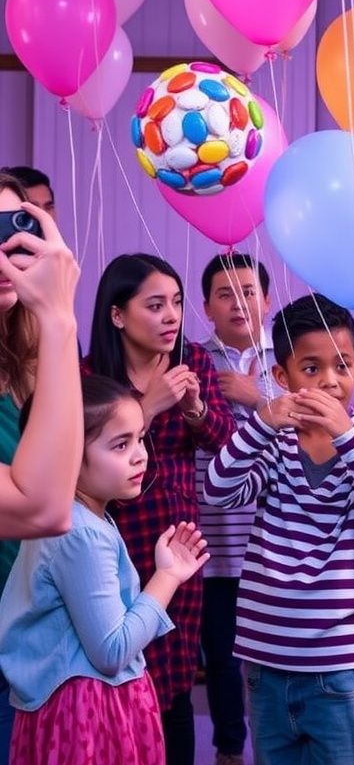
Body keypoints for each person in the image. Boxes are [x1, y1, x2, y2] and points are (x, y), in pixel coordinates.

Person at [205, 293, 354, 765]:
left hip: (339, 664)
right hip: (264, 661)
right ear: (282, 376)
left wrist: (347, 436)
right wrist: (261, 423)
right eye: (311, 368)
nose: (330, 381)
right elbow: (217, 491)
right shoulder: (273, 442)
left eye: (342, 366)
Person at [0, 373, 209, 764]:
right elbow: (111, 650)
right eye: (120, 444)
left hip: (80, 703)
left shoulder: (80, 519)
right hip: (88, 712)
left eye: (140, 438)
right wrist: (167, 577)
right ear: (67, 456)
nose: (140, 455)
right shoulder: (82, 534)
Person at [83, 252, 234, 765]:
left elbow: (224, 442)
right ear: (117, 314)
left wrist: (193, 408)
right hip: (112, 539)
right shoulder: (89, 376)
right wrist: (146, 408)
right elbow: (75, 459)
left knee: (172, 681)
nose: (171, 315)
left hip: (177, 542)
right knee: (117, 664)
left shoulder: (194, 362)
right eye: (154, 305)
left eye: (175, 302)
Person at [0, 172, 84, 764]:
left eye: (14, 228)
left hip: (21, 641)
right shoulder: (47, 334)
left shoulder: (22, 361)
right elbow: (42, 507)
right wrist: (59, 319)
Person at [197, 252, 282, 765]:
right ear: (206, 305)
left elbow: (306, 429)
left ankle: (275, 746)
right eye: (224, 293)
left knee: (269, 657)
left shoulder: (291, 358)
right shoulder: (192, 359)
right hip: (215, 536)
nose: (238, 303)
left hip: (274, 536)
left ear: (267, 300)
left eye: (248, 291)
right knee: (223, 657)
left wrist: (254, 396)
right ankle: (230, 749)